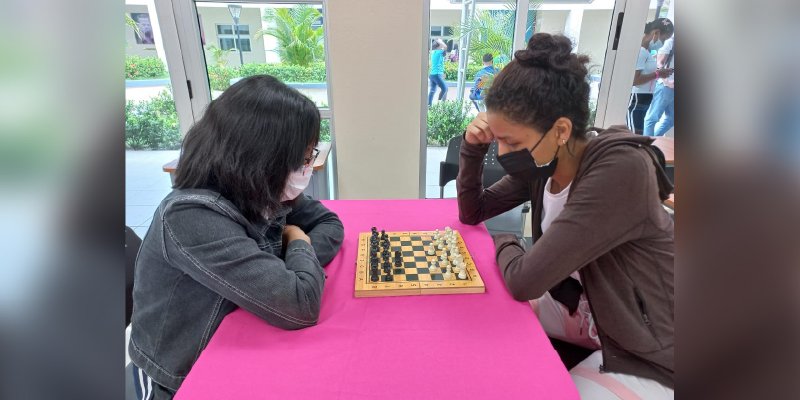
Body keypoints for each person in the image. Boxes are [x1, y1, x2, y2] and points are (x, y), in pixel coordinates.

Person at [456, 33, 674, 398]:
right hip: (585, 311)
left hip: (649, 345)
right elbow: (473, 211)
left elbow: (526, 280)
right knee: (473, 330)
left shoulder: (619, 170)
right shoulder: (545, 164)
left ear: (560, 130)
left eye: (512, 142)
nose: (503, 151)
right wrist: (472, 149)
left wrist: (504, 240)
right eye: (497, 139)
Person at [128, 75, 345, 399]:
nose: (306, 167)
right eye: (302, 157)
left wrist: (285, 266)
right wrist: (298, 240)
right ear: (264, 157)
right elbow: (300, 302)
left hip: (241, 341)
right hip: (181, 377)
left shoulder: (261, 189)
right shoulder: (190, 215)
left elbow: (330, 223)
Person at [627, 18, 674, 134]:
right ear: (656, 33)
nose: (663, 43)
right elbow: (634, 80)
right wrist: (658, 74)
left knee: (639, 135)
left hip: (645, 98)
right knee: (636, 137)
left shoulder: (647, 52)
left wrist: (658, 72)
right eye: (663, 39)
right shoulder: (641, 52)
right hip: (637, 99)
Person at [644, 35, 675, 136]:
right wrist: (666, 81)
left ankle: (654, 142)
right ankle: (646, 147)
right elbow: (659, 63)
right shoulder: (670, 42)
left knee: (672, 119)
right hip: (665, 87)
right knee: (652, 118)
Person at [428, 38, 448, 106]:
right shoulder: (439, 52)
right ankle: (439, 104)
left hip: (432, 75)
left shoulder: (433, 52)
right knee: (445, 88)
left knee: (432, 90)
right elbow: (445, 47)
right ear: (439, 45)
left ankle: (429, 105)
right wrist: (440, 41)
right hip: (437, 74)